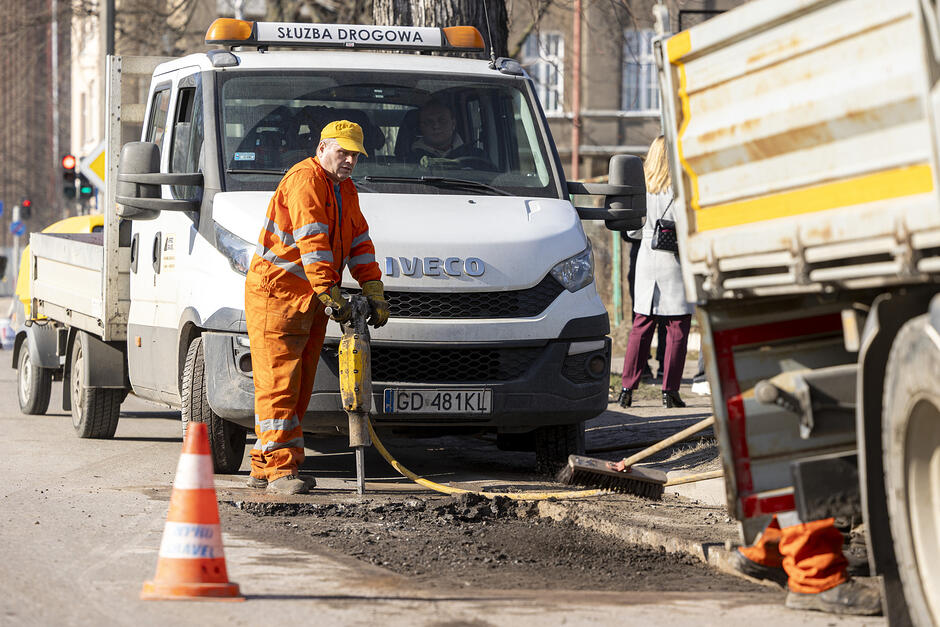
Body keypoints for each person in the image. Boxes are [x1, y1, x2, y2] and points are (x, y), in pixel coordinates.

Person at [244, 120, 390, 495]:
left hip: (306, 299)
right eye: (343, 152)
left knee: (299, 386)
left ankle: (267, 464)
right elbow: (313, 243)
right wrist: (330, 292)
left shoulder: (343, 189)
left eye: (355, 155)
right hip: (277, 295)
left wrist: (373, 286)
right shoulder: (305, 181)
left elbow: (359, 241)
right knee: (280, 384)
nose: (350, 161)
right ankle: (279, 471)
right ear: (322, 147)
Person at [618, 135, 693, 409]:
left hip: (647, 258)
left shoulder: (643, 188)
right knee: (677, 327)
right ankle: (670, 390)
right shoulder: (681, 187)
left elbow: (631, 230)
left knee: (642, 323)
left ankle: (627, 387)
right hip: (674, 258)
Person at [730, 515, 881, 615]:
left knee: (782, 476)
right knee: (812, 475)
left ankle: (769, 546)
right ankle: (816, 573)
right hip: (814, 571)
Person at [409, 99, 488, 162]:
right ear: (421, 127)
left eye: (442, 120)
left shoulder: (477, 157)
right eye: (429, 122)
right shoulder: (408, 161)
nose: (436, 126)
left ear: (453, 124)